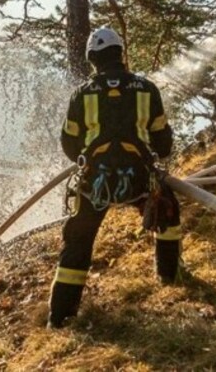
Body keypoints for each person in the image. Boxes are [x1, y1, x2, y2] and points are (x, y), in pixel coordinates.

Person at [48, 27, 181, 328]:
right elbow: (163, 143)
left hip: (96, 183)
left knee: (78, 240)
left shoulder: (82, 94)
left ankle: (60, 317)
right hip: (140, 181)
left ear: (92, 59)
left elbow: (69, 144)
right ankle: (169, 277)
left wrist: (90, 159)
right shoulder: (147, 89)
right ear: (121, 54)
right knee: (168, 211)